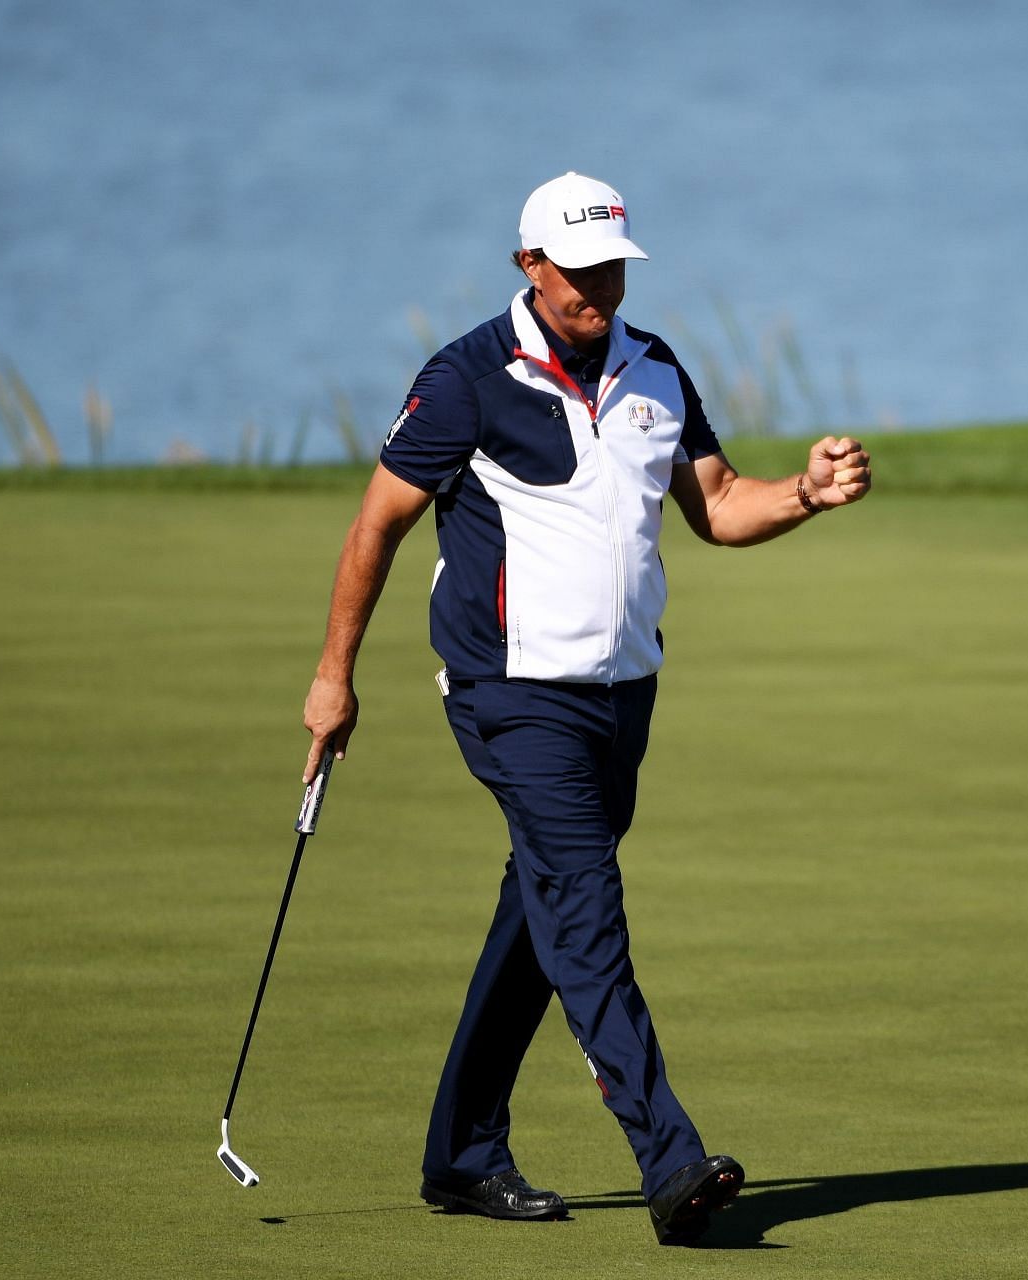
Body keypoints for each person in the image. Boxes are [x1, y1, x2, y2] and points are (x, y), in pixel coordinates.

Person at [300, 171, 872, 1242]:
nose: (598, 286)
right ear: (530, 264)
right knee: (588, 913)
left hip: (625, 695)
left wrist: (805, 493)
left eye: (612, 266)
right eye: (577, 269)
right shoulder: (466, 377)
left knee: (546, 909)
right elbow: (375, 524)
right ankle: (672, 1161)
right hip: (511, 694)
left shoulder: (656, 370)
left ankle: (462, 1151)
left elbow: (719, 503)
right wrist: (335, 674)